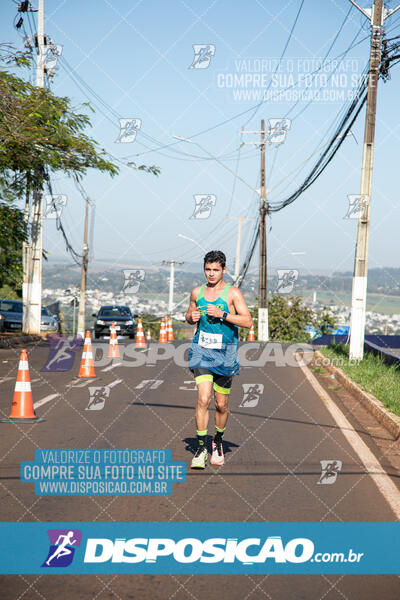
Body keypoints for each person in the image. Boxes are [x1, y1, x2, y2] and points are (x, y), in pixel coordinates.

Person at [186, 250, 252, 469]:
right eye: (207, 269)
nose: (211, 274)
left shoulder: (233, 293)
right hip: (201, 351)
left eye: (215, 270)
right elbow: (189, 315)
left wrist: (222, 315)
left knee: (221, 405)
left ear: (224, 270)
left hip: (225, 355)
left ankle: (218, 441)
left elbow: (247, 322)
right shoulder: (197, 292)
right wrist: (191, 317)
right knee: (203, 399)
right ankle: (202, 447)